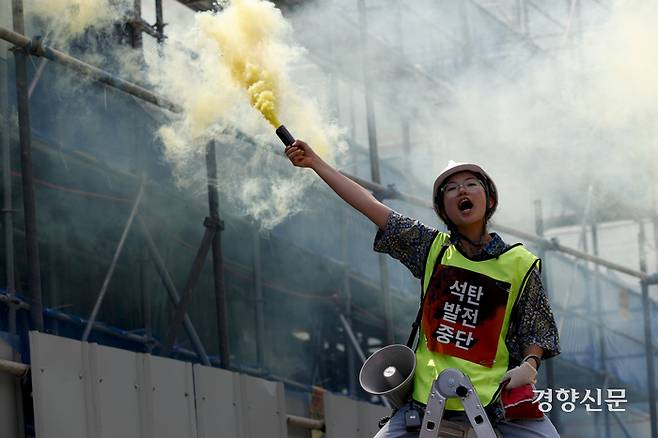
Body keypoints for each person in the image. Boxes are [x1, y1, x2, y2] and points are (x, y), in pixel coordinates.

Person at [285, 140, 561, 438]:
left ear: (490, 200)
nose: (462, 191)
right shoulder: (432, 249)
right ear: (443, 209)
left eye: (471, 184)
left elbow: (538, 328)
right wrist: (316, 163)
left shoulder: (520, 263)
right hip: (426, 403)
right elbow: (370, 205)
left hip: (495, 404)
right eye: (451, 189)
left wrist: (529, 366)